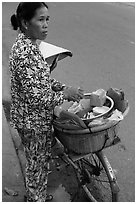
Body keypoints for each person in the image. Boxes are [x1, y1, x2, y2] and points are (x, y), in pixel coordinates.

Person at [9, 2, 84, 202]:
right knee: (37, 164)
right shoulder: (26, 52)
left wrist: (61, 87)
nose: (46, 25)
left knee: (39, 161)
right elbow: (38, 96)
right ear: (25, 22)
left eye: (47, 20)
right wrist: (65, 94)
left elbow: (41, 80)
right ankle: (35, 198)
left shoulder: (29, 45)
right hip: (32, 122)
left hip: (32, 119)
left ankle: (37, 194)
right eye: (40, 20)